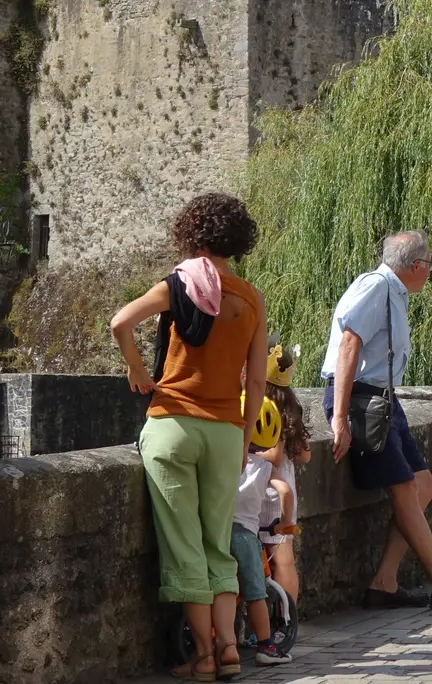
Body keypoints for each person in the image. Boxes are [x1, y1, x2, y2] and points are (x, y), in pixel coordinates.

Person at [110, 192, 269, 682]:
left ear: (191, 234)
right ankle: (229, 648)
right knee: (218, 544)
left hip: (173, 426)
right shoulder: (249, 297)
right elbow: (258, 383)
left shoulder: (178, 285)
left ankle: (201, 657)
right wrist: (245, 439)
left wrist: (138, 371)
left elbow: (120, 322)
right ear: (237, 240)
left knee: (185, 547)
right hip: (225, 432)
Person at [324, 231, 432, 611]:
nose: (430, 271)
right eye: (429, 264)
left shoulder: (392, 291)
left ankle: (384, 583)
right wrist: (339, 417)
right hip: (361, 400)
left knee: (423, 485)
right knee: (405, 489)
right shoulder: (376, 287)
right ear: (417, 265)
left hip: (383, 399)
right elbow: (349, 345)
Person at [235, 398, 291, 666]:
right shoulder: (265, 466)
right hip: (246, 535)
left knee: (222, 589)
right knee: (256, 593)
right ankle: (266, 646)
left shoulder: (227, 458)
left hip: (218, 530)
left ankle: (219, 643)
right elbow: (285, 491)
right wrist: (284, 522)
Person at [261, 342, 310, 606]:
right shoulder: (290, 405)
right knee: (285, 558)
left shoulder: (265, 406)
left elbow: (274, 455)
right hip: (285, 487)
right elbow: (304, 455)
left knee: (274, 558)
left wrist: (246, 454)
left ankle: (277, 622)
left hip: (268, 490)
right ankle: (288, 619)